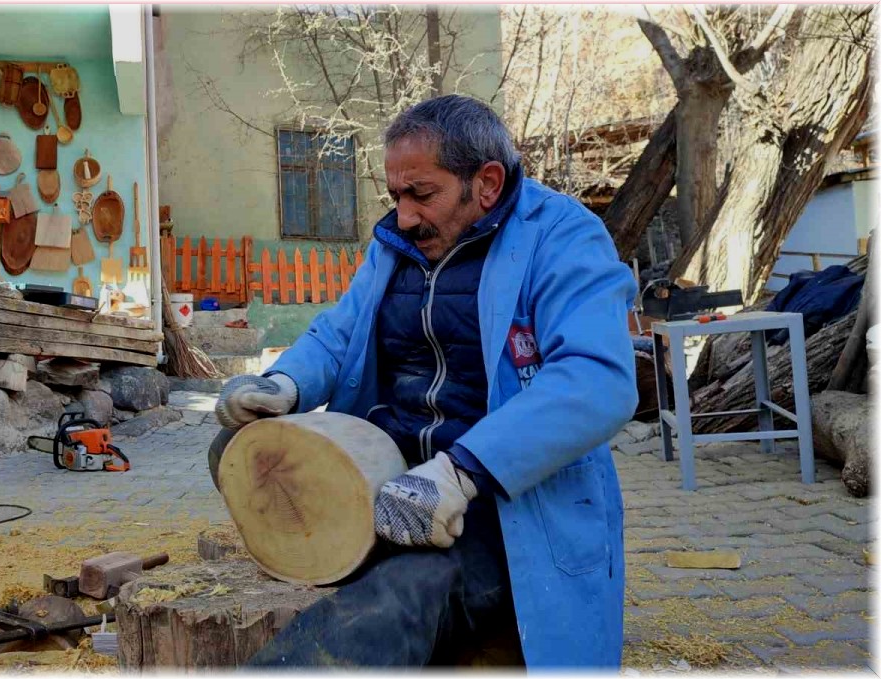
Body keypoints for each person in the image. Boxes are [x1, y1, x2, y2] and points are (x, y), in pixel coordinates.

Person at [212, 94, 638, 669]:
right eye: (395, 196)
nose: (405, 215)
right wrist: (285, 384)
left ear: (486, 182)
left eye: (422, 194)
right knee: (234, 445)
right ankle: (353, 547)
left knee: (402, 596)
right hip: (393, 481)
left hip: (496, 504)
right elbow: (339, 334)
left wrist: (460, 472)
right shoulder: (397, 245)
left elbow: (597, 380)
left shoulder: (562, 237)